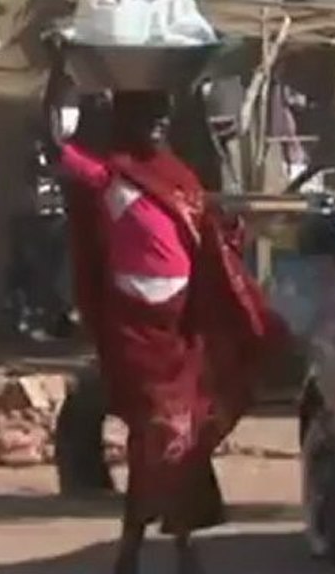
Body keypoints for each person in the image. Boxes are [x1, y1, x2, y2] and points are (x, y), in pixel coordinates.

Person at [43, 50, 290, 574]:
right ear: (124, 120)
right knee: (160, 431)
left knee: (182, 432)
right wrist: (56, 74)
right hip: (135, 329)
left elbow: (205, 240)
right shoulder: (108, 175)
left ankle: (170, 548)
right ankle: (145, 548)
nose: (155, 126)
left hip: (183, 326)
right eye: (145, 116)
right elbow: (53, 146)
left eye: (162, 117)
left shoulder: (179, 178)